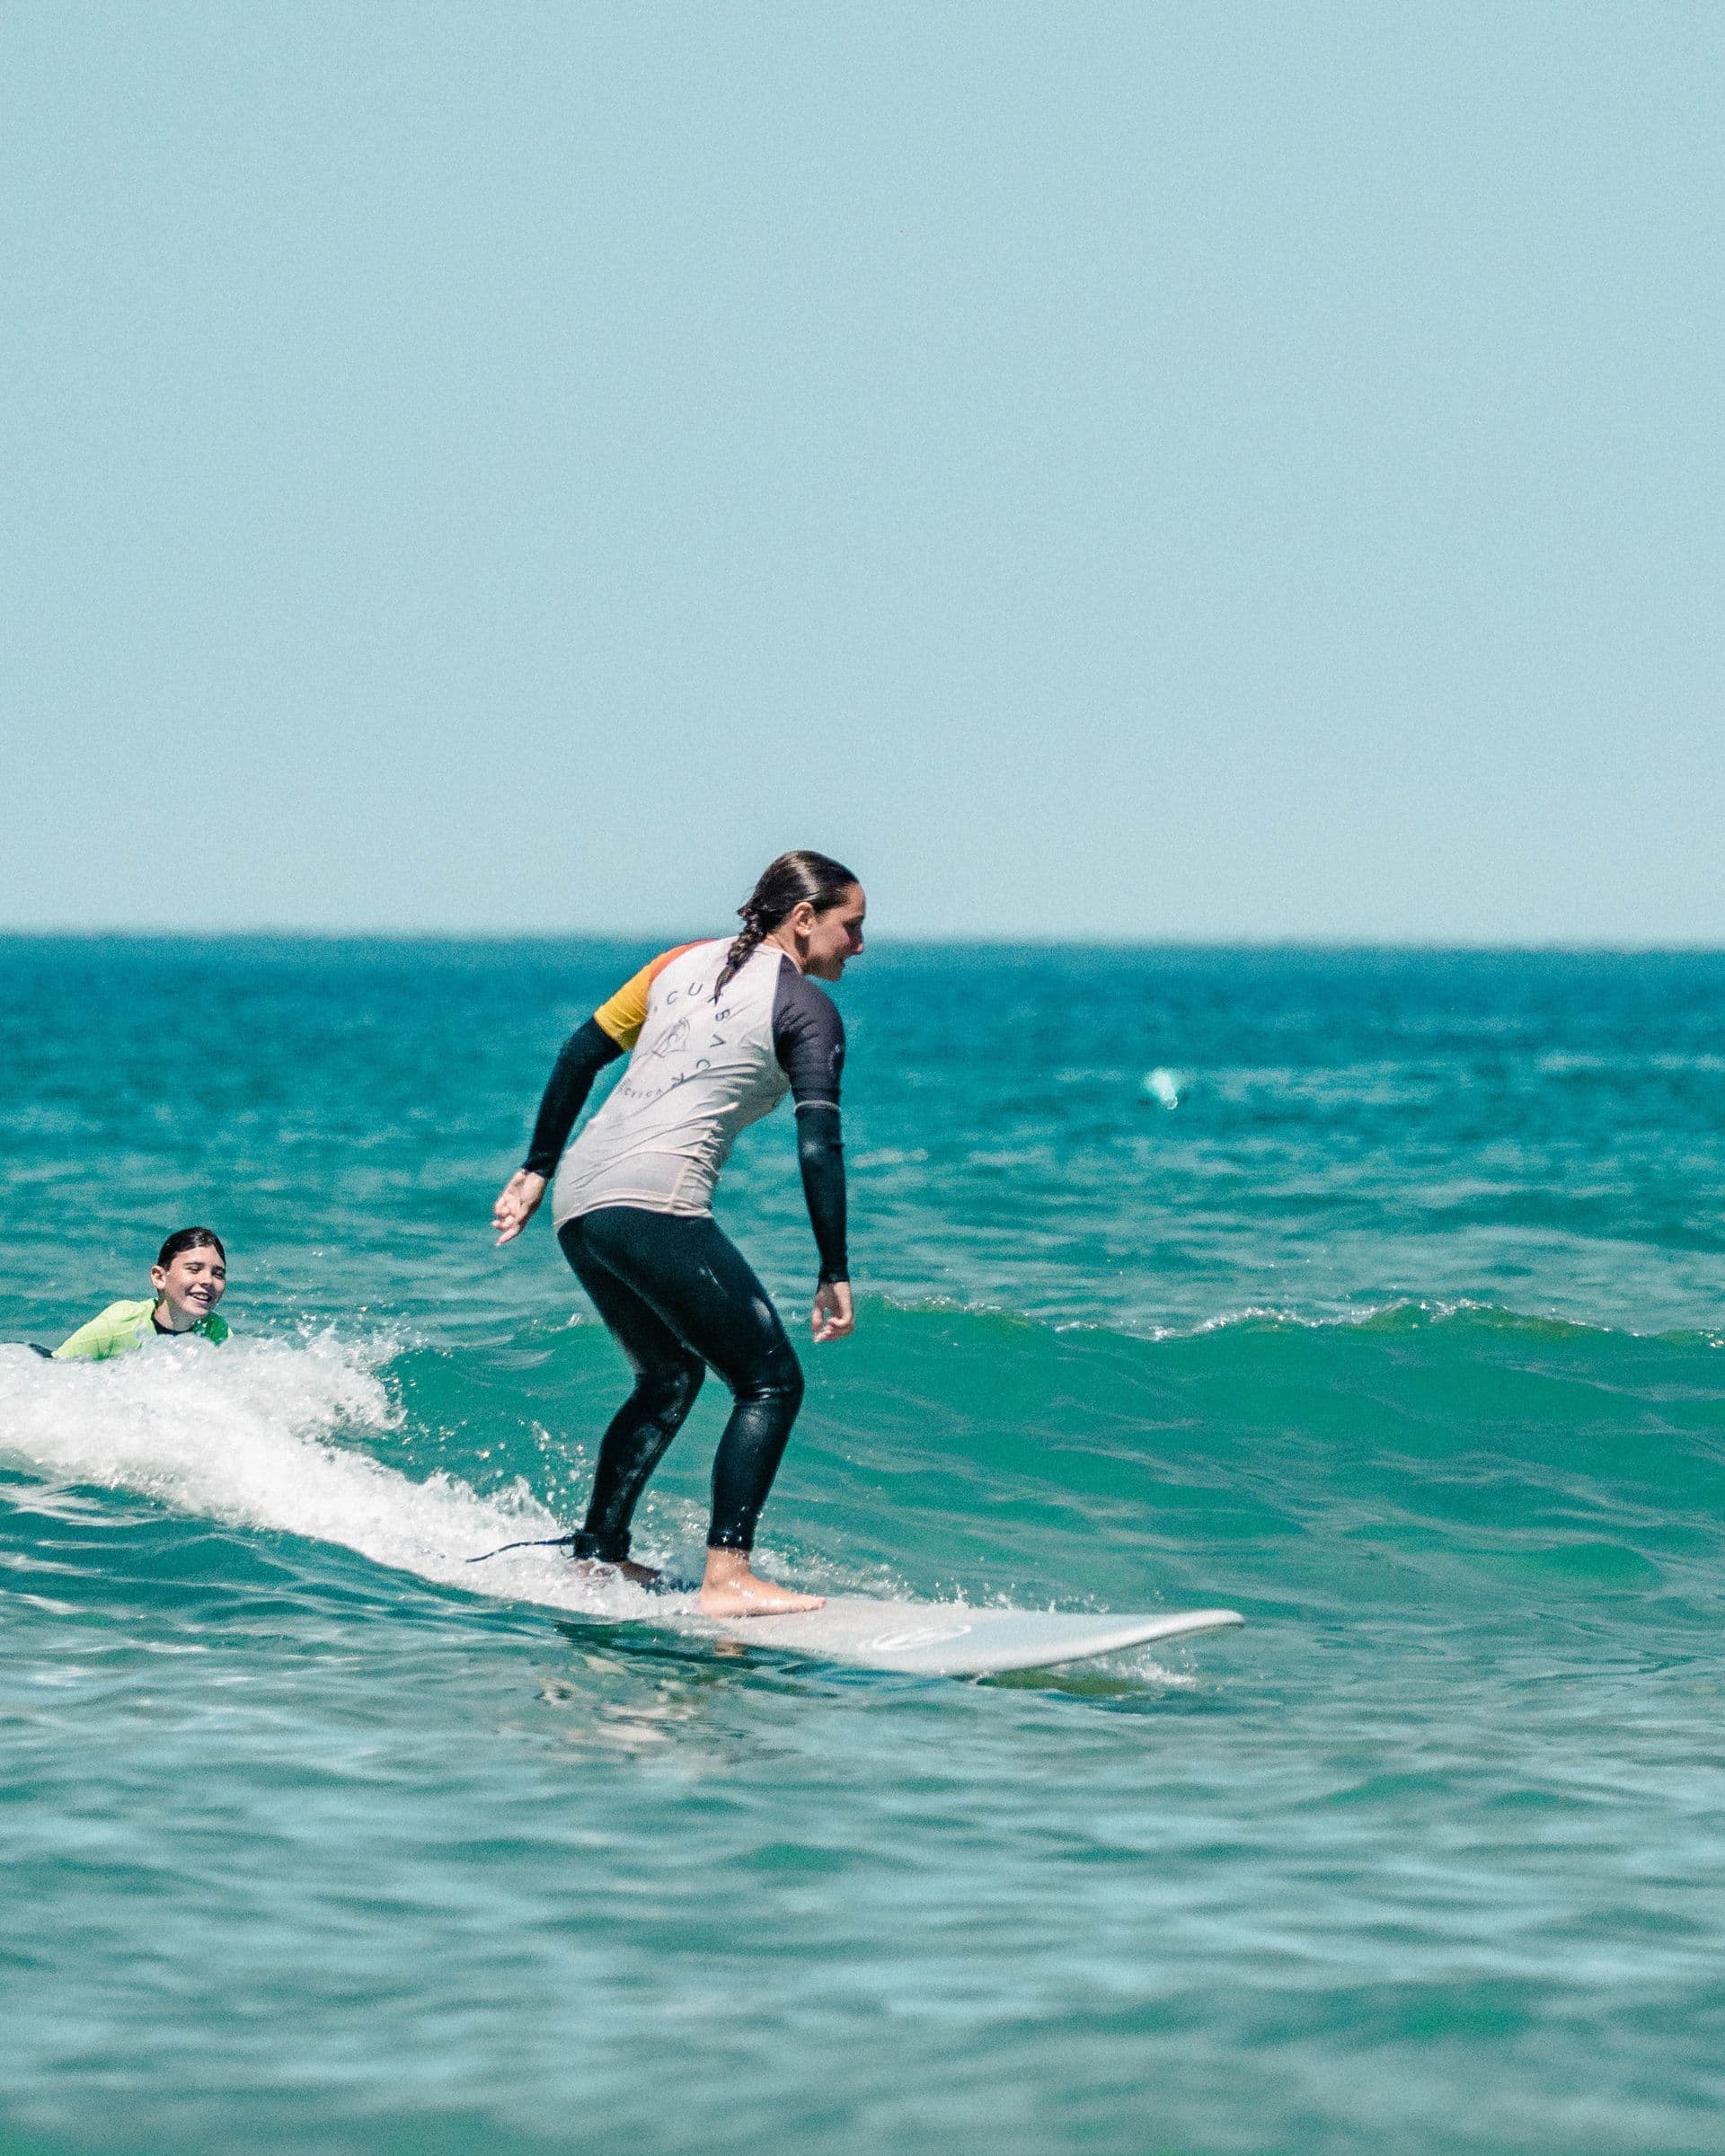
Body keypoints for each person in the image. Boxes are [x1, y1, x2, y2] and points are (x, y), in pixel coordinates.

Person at [491, 851, 865, 1617]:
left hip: (581, 1199)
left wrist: (536, 1168)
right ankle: (729, 1579)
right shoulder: (806, 1009)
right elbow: (819, 1146)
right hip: (653, 1201)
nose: (859, 944)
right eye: (850, 926)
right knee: (770, 1382)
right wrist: (834, 1268)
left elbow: (578, 1053)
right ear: (803, 919)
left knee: (669, 1376)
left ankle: (597, 1556)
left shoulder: (675, 965)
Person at [52, 1228, 231, 1360]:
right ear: (159, 1277)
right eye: (194, 1269)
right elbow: (54, 1367)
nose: (208, 1280)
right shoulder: (119, 1324)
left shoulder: (216, 1332)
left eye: (218, 1274)